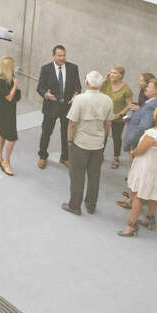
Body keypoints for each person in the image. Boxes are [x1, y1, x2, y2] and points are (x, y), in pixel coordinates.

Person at [119, 102, 157, 237]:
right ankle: (150, 218)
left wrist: (133, 151)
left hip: (145, 168)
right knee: (153, 195)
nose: (153, 113)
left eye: (156, 112)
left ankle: (131, 226)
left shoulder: (152, 134)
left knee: (138, 196)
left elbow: (139, 151)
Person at [62, 71, 113, 216]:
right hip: (98, 144)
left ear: (87, 83)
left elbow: (72, 123)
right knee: (94, 175)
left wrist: (70, 140)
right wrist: (103, 138)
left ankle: (75, 206)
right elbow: (108, 123)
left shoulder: (80, 99)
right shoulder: (108, 100)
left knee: (77, 175)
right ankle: (91, 205)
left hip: (80, 143)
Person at [119, 78, 157, 208]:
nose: (145, 88)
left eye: (149, 87)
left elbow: (143, 127)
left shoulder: (151, 106)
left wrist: (132, 145)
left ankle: (132, 204)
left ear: (156, 92)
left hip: (141, 145)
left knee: (137, 178)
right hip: (152, 150)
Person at [36, 45, 81, 169]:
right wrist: (46, 94)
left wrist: (76, 95)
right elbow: (40, 87)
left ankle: (65, 157)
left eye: (64, 55)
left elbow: (78, 86)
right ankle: (42, 156)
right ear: (53, 56)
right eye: (59, 55)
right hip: (51, 106)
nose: (62, 58)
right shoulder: (46, 69)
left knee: (66, 134)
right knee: (46, 132)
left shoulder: (73, 68)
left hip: (67, 107)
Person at [0, 56, 21, 176]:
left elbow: (16, 96)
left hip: (7, 109)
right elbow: (10, 97)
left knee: (2, 132)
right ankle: (6, 162)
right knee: (12, 137)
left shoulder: (6, 79)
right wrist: (15, 85)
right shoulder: (0, 81)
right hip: (6, 111)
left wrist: (14, 87)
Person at [101, 66, 133, 168]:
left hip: (118, 117)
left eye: (115, 73)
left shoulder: (126, 89)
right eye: (111, 72)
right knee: (103, 136)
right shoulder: (106, 84)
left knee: (116, 137)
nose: (111, 75)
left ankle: (116, 158)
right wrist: (104, 81)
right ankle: (99, 155)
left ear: (121, 76)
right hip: (105, 116)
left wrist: (119, 114)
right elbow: (97, 91)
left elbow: (129, 105)